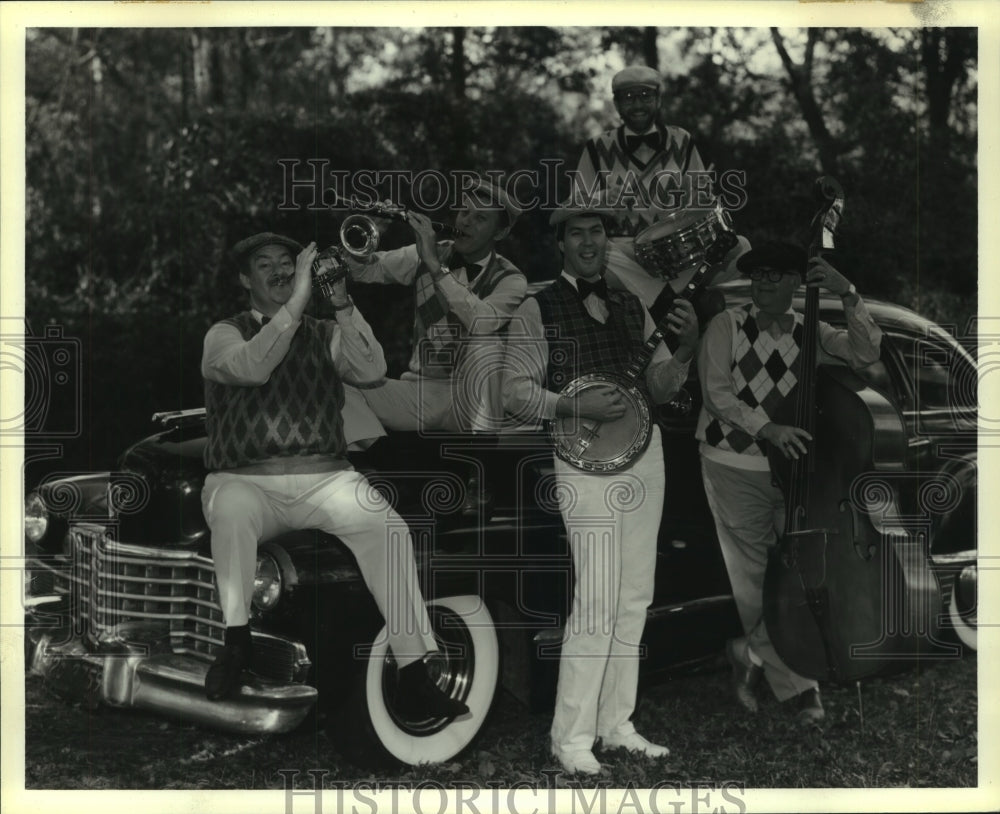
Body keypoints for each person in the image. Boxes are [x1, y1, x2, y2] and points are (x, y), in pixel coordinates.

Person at [199, 231, 469, 720]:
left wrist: (342, 303)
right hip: (247, 481)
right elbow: (253, 368)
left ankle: (413, 673)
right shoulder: (225, 332)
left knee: (386, 528)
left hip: (325, 478)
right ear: (244, 279)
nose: (281, 270)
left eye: (288, 261)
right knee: (232, 510)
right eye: (266, 264)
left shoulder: (324, 332)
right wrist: (299, 301)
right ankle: (236, 642)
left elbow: (372, 370)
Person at [501, 199, 699, 775]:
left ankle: (617, 724)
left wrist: (684, 351)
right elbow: (513, 391)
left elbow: (659, 387)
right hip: (583, 460)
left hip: (646, 452)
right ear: (559, 244)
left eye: (597, 233)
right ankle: (570, 737)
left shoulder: (631, 303)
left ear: (608, 243)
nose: (588, 242)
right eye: (577, 234)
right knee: (597, 595)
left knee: (635, 593)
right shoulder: (536, 308)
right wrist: (569, 402)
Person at [695, 241, 883, 724]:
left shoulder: (811, 329)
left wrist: (848, 294)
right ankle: (801, 688)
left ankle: (751, 651)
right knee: (754, 580)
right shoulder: (727, 325)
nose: (763, 283)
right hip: (732, 464)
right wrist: (769, 429)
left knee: (799, 573)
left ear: (798, 284)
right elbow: (716, 394)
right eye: (758, 275)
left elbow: (866, 352)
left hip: (797, 470)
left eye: (776, 276)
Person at [347, 178, 527, 433]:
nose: (465, 221)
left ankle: (484, 456)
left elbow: (481, 322)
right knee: (343, 388)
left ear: (500, 233)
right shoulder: (431, 252)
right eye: (464, 212)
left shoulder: (511, 279)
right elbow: (362, 272)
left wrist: (435, 265)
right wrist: (369, 235)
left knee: (486, 343)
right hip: (421, 391)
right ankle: (376, 465)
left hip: (472, 396)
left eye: (480, 218)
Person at [570, 65, 748, 318]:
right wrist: (600, 200)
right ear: (617, 104)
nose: (638, 104)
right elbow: (573, 208)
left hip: (678, 251)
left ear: (659, 100)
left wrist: (696, 196)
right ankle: (678, 299)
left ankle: (659, 296)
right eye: (629, 97)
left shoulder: (682, 140)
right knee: (600, 254)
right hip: (626, 250)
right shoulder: (597, 147)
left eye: (646, 96)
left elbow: (703, 200)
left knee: (741, 246)